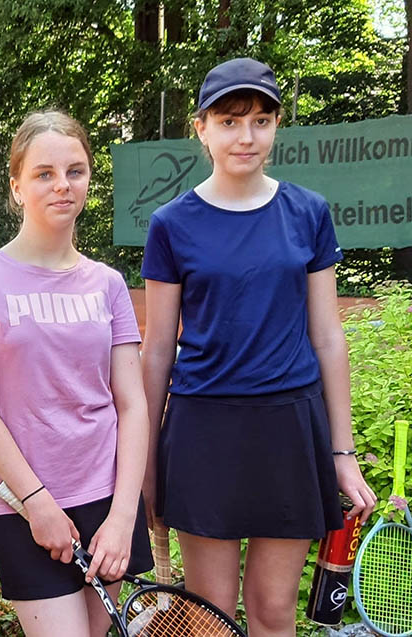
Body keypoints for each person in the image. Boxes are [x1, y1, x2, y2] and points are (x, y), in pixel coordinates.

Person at [140, 57, 378, 636]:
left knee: (274, 612)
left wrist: (342, 454)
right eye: (229, 120)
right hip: (203, 433)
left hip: (290, 431)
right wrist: (145, 461)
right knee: (211, 617)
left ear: (276, 126)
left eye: (261, 120)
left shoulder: (309, 213)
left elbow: (327, 336)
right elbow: (156, 352)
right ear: (202, 128)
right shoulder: (171, 224)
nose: (246, 136)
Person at [0, 110, 152, 636]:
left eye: (75, 170)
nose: (63, 185)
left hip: (108, 499)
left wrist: (124, 514)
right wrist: (38, 505)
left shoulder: (108, 284)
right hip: (24, 504)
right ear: (17, 186)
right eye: (44, 173)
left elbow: (131, 403)